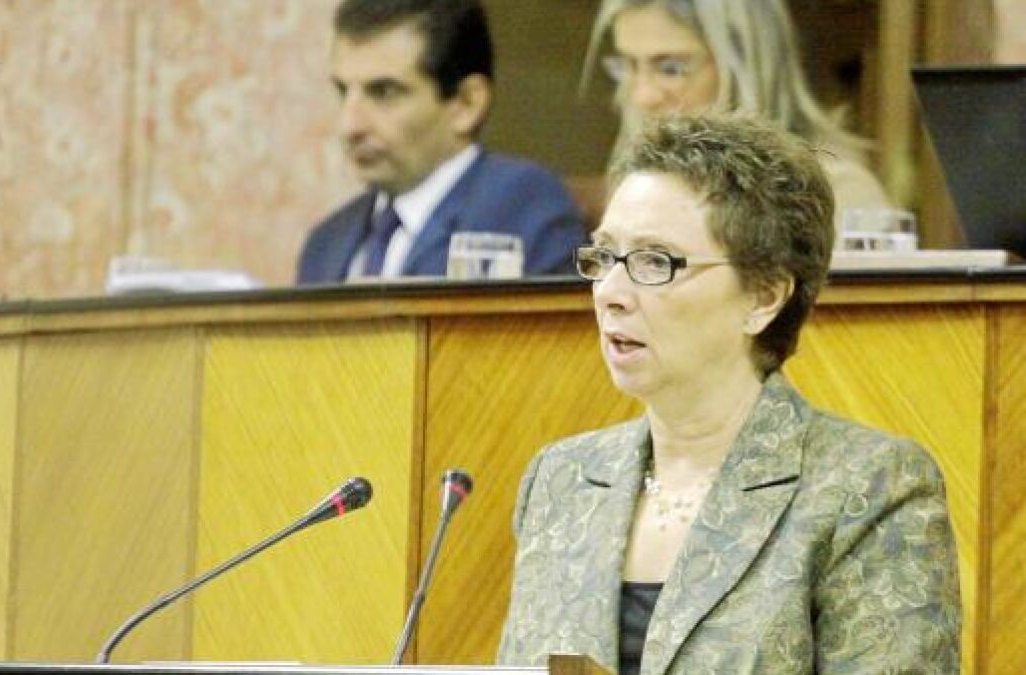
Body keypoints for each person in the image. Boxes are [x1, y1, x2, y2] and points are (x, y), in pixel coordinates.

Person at [496, 115, 960, 674]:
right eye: (604, 256)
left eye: (653, 261)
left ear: (763, 297)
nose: (610, 293)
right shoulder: (563, 480)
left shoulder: (867, 486)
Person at [296, 0, 587, 284]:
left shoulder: (526, 211)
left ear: (466, 104)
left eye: (384, 92)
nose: (350, 126)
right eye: (343, 91)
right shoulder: (325, 244)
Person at [585, 0, 890, 223]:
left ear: (747, 67)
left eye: (671, 68)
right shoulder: (640, 185)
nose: (643, 96)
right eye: (627, 66)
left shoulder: (835, 193)